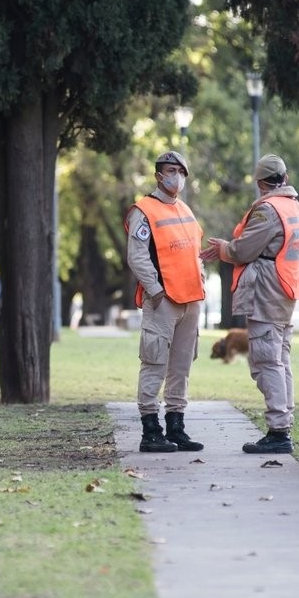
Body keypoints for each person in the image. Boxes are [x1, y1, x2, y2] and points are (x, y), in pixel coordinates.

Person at [200, 154, 299, 454]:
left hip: (266, 293)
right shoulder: (295, 207)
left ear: (261, 183)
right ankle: (284, 424)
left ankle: (278, 432)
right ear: (284, 178)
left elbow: (244, 250)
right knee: (280, 360)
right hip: (286, 291)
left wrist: (225, 248)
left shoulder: (268, 208)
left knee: (265, 360)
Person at [124, 150, 206, 453]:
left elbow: (193, 252)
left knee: (181, 366)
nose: (178, 177)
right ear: (159, 175)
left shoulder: (185, 209)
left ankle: (176, 426)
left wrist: (202, 283)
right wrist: (156, 291)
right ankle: (150, 430)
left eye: (182, 172)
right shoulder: (143, 210)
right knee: (154, 362)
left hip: (191, 299)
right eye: (172, 171)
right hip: (163, 300)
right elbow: (137, 256)